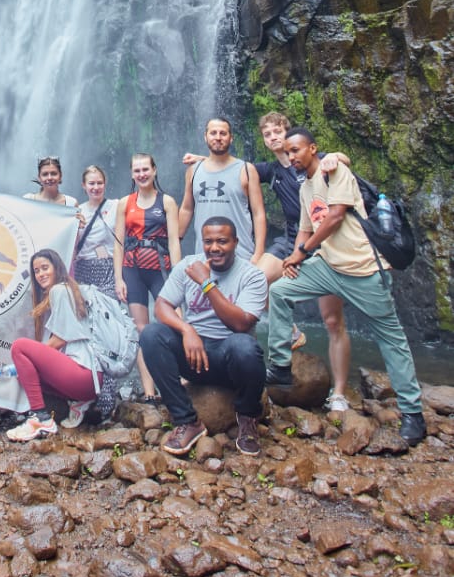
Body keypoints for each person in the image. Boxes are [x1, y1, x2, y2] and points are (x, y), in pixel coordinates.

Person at [265, 128, 427, 447]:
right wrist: (294, 259)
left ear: (313, 148)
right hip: (328, 267)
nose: (292, 156)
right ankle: (281, 365)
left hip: (363, 269)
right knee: (280, 291)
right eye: (288, 151)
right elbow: (304, 228)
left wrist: (303, 251)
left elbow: (336, 217)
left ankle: (413, 414)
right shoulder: (305, 187)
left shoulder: (335, 171)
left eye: (297, 149)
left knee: (390, 338)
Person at [140, 216, 269, 456]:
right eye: (208, 241)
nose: (214, 248)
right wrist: (186, 330)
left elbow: (240, 324)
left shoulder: (252, 275)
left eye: (222, 241)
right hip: (195, 355)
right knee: (151, 334)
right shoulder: (189, 265)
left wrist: (206, 283)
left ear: (236, 242)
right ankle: (187, 421)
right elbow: (161, 306)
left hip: (231, 360)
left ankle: (247, 418)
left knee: (245, 346)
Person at [255, 112, 352, 409]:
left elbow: (342, 160)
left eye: (278, 131)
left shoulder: (315, 161)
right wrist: (199, 160)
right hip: (294, 240)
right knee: (256, 281)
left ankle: (338, 393)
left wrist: (336, 155)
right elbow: (233, 168)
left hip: (328, 243)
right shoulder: (271, 170)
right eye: (267, 133)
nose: (273, 137)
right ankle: (292, 332)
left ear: (290, 135)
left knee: (333, 320)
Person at [7, 249, 100, 439]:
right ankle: (76, 404)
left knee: (19, 347)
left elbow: (62, 338)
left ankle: (41, 419)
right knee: (24, 373)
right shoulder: (67, 290)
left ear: (56, 268)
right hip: (89, 381)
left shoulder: (60, 290)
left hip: (82, 373)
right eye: (37, 271)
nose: (41, 274)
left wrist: (37, 352)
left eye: (44, 268)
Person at [113, 153, 181, 403]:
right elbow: (118, 244)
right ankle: (149, 390)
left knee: (172, 322)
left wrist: (177, 273)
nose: (141, 174)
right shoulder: (124, 203)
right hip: (133, 271)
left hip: (160, 269)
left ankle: (178, 379)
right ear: (132, 174)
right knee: (141, 329)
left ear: (154, 170)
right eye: (137, 170)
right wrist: (118, 278)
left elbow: (174, 241)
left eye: (145, 169)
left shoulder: (167, 202)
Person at [178, 117, 266, 264]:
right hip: (204, 254)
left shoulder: (246, 170)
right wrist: (175, 241)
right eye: (213, 133)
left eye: (223, 133)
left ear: (231, 138)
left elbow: (258, 213)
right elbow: (186, 209)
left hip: (241, 255)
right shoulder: (193, 171)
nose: (218, 137)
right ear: (205, 136)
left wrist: (259, 253)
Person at [72, 165, 119, 420]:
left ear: (105, 183)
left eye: (99, 182)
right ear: (84, 186)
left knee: (108, 332)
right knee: (86, 331)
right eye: (91, 183)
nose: (95, 187)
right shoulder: (76, 211)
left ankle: (109, 396)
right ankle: (87, 390)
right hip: (83, 272)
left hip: (108, 270)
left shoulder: (116, 206)